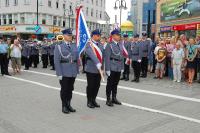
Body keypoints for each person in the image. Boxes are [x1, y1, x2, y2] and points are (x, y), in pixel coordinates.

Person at [54, 28, 79, 114]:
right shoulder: (59, 46)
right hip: (64, 72)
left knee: (70, 89)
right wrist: (59, 73)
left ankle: (69, 104)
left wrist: (78, 68)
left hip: (72, 72)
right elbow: (56, 61)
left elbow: (77, 58)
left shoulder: (74, 45)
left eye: (71, 35)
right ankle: (64, 106)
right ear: (64, 36)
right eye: (68, 35)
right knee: (64, 90)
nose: (70, 36)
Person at [84, 29, 104, 108]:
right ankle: (89, 101)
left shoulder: (100, 45)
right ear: (93, 36)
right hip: (91, 68)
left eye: (99, 35)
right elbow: (91, 54)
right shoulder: (89, 44)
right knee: (91, 85)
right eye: (98, 35)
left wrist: (102, 67)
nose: (99, 37)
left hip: (99, 69)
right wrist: (97, 63)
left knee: (97, 85)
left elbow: (103, 57)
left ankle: (94, 100)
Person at [105, 29, 124, 107]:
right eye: (117, 35)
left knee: (116, 83)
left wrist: (122, 67)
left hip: (118, 66)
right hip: (112, 66)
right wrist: (107, 69)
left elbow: (122, 57)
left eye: (119, 35)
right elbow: (107, 58)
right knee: (110, 84)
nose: (119, 36)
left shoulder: (120, 44)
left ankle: (114, 98)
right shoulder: (109, 45)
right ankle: (108, 99)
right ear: (113, 36)